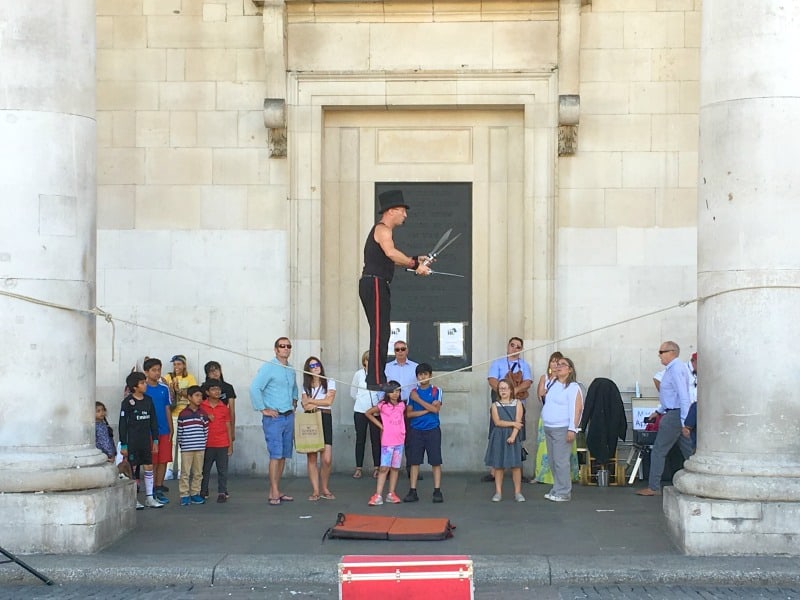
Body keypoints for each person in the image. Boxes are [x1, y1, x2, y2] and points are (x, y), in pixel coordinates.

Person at [359, 189, 431, 392]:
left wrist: (416, 260)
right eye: (402, 210)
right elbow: (391, 253)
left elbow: (390, 257)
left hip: (377, 283)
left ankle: (376, 376)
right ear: (391, 211)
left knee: (382, 330)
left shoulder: (383, 231)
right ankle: (375, 378)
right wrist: (415, 265)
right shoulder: (383, 229)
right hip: (374, 283)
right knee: (380, 330)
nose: (405, 215)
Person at [636, 341, 693, 496]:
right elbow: (672, 395)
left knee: (659, 450)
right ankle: (702, 480)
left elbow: (683, 396)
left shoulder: (675, 370)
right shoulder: (674, 369)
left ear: (671, 352)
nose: (659, 355)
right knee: (689, 451)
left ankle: (653, 487)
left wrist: (684, 422)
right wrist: (659, 410)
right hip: (674, 413)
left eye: (661, 352)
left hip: (675, 415)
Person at [250, 336, 299, 506]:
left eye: (288, 346)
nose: (285, 348)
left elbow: (294, 388)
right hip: (274, 418)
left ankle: (275, 490)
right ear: (276, 349)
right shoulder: (269, 367)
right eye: (282, 346)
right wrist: (262, 408)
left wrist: (295, 401)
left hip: (288, 415)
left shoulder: (291, 369)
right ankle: (274, 491)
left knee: (284, 455)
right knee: (275, 455)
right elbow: (255, 387)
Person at [483, 337, 533, 482]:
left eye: (518, 347)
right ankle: (494, 471)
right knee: (495, 434)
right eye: (512, 345)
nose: (514, 349)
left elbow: (528, 382)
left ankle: (518, 470)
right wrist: (503, 392)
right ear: (508, 346)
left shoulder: (524, 365)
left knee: (518, 436)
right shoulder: (497, 363)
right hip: (499, 404)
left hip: (517, 404)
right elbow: (492, 380)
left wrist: (513, 391)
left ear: (521, 350)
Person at [541, 357, 583, 502]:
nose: (559, 367)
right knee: (553, 460)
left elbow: (577, 409)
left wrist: (573, 428)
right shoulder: (552, 383)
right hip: (549, 427)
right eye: (557, 365)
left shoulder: (573, 387)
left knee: (561, 461)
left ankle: (564, 492)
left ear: (570, 369)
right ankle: (557, 488)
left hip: (562, 427)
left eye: (563, 365)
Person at [119, 371, 163, 509]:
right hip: (132, 441)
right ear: (134, 386)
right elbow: (122, 424)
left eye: (145, 382)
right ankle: (133, 498)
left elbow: (153, 421)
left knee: (148, 466)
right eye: (142, 383)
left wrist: (155, 440)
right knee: (132, 469)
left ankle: (150, 497)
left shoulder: (148, 400)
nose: (145, 385)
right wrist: (124, 444)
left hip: (145, 440)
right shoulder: (127, 402)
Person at [403, 363, 444, 503]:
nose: (423, 377)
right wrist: (428, 409)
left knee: (435, 461)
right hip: (416, 430)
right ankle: (412, 490)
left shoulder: (436, 391)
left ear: (430, 375)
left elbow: (436, 409)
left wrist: (418, 401)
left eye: (425, 374)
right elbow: (409, 414)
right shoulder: (412, 392)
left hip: (432, 430)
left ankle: (437, 491)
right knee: (414, 462)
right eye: (420, 374)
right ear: (417, 377)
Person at [301, 356, 336, 502]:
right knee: (312, 457)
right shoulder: (305, 385)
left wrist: (311, 400)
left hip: (325, 418)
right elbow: (305, 405)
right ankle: (316, 490)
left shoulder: (330, 382)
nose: (315, 367)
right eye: (312, 366)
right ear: (308, 370)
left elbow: (328, 402)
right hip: (311, 418)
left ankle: (324, 487)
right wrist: (313, 402)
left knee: (327, 459)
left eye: (317, 364)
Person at [365, 381, 406, 506]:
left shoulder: (402, 405)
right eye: (392, 391)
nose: (395, 394)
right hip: (388, 442)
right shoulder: (382, 405)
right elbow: (368, 413)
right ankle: (378, 495)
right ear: (387, 393)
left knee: (395, 468)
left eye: (397, 391)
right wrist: (381, 426)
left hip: (399, 440)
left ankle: (391, 494)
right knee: (384, 468)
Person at [484, 378, 525, 502]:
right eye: (501, 388)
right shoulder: (494, 405)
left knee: (516, 465)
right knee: (498, 465)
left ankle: (518, 492)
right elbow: (497, 422)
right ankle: (498, 492)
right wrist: (513, 424)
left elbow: (519, 421)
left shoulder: (518, 403)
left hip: (513, 435)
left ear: (511, 390)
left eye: (505, 388)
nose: (503, 391)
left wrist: (513, 436)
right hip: (499, 436)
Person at [385, 339, 421, 479]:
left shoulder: (415, 367)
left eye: (402, 349)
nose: (400, 352)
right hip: (393, 407)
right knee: (392, 438)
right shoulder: (387, 367)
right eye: (397, 349)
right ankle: (388, 469)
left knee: (411, 438)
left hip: (410, 405)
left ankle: (411, 469)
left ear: (407, 350)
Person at [143, 357, 173, 503]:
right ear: (146, 372)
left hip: (164, 429)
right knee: (152, 461)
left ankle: (159, 487)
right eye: (153, 370)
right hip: (149, 431)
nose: (157, 373)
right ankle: (151, 489)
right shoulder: (143, 388)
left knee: (163, 460)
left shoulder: (164, 388)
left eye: (158, 370)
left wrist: (171, 427)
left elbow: (167, 408)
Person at [200, 379, 233, 503]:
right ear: (207, 392)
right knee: (205, 469)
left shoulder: (224, 407)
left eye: (218, 389)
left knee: (222, 470)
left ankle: (222, 492)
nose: (217, 391)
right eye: (213, 389)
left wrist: (230, 445)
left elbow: (228, 425)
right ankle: (203, 490)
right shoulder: (201, 406)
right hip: (206, 443)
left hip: (222, 443)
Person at [350, 350, 381, 480]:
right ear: (364, 361)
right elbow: (353, 392)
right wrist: (362, 400)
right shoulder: (359, 374)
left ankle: (377, 468)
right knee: (360, 439)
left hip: (375, 412)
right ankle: (358, 468)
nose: (370, 363)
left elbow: (383, 393)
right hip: (360, 411)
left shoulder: (380, 375)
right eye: (368, 360)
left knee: (376, 440)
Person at [176, 385, 209, 506]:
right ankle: (184, 494)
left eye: (201, 396)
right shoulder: (183, 414)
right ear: (189, 397)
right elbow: (180, 431)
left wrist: (202, 444)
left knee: (198, 472)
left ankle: (195, 493)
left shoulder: (203, 414)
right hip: (186, 448)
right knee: (185, 472)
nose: (199, 398)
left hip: (200, 448)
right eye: (196, 395)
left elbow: (205, 430)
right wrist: (182, 444)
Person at [95, 401, 133, 479]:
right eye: (98, 411)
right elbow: (103, 442)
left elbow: (108, 440)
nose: (101, 413)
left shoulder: (104, 424)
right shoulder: (98, 426)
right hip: (105, 455)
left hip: (109, 454)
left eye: (103, 410)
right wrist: (110, 454)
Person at [203, 361, 237, 441]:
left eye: (216, 369)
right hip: (208, 425)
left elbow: (232, 410)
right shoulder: (204, 388)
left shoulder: (228, 387)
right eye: (211, 371)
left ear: (220, 371)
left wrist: (232, 430)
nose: (215, 373)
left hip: (223, 422)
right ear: (207, 374)